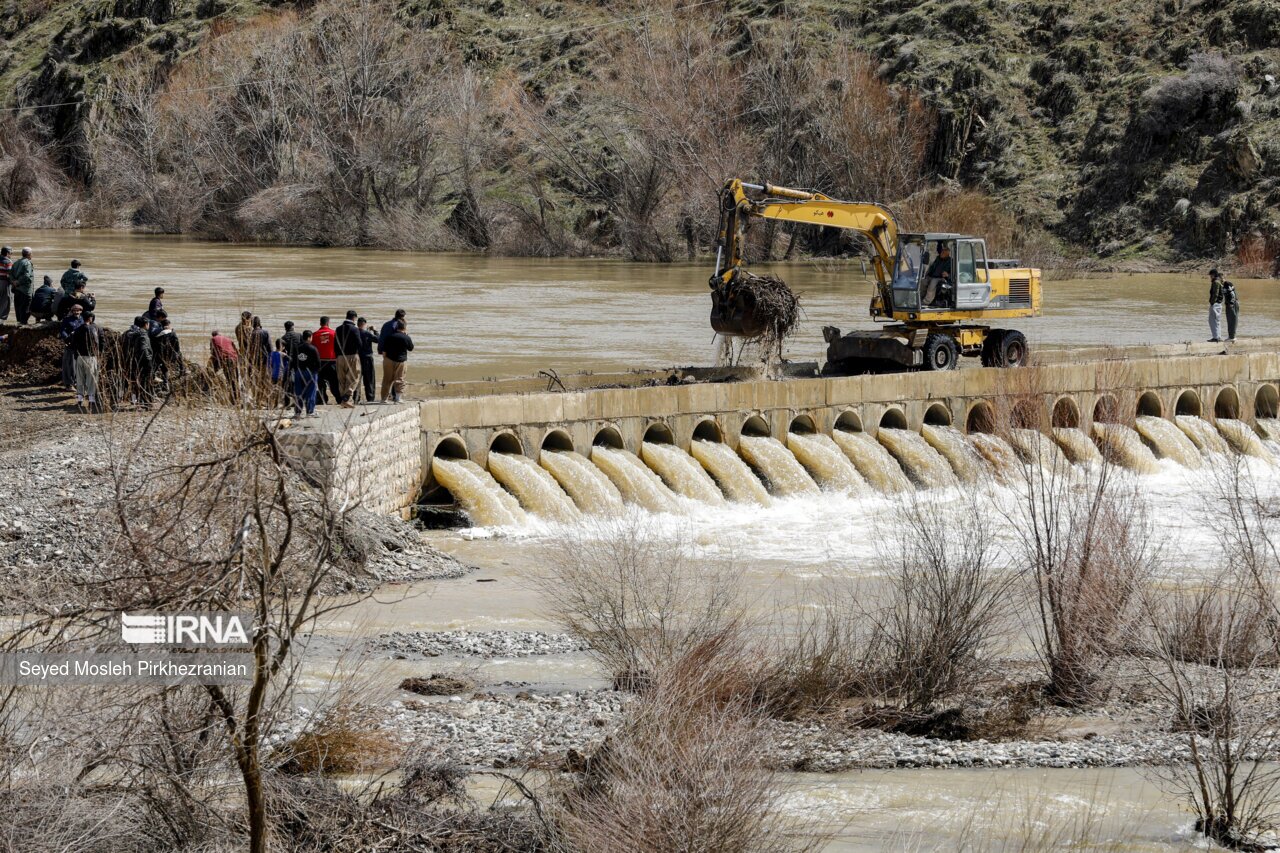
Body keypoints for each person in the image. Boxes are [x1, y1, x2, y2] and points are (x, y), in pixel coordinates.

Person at [71, 311, 103, 413]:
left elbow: (73, 344)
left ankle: (80, 400)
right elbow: (98, 342)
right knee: (91, 379)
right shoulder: (95, 329)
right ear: (90, 318)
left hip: (80, 357)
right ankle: (91, 400)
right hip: (90, 357)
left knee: (80, 379)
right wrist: (99, 354)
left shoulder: (78, 329)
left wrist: (76, 355)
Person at [122, 315, 156, 406]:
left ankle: (135, 400)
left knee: (134, 381)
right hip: (142, 361)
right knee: (146, 381)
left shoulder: (128, 333)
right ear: (146, 324)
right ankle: (146, 402)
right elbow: (144, 350)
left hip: (129, 360)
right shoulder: (143, 334)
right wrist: (149, 362)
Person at [380, 319, 413, 403]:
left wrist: (385, 360)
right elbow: (411, 348)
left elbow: (384, 351)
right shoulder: (406, 337)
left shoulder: (389, 336)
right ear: (404, 328)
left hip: (389, 360)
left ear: (396, 327)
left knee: (387, 379)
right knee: (400, 379)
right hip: (401, 361)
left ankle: (384, 399)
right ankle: (398, 398)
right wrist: (407, 335)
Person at [334, 309, 362, 408]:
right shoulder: (355, 329)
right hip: (352, 356)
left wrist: (337, 356)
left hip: (340, 356)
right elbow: (359, 344)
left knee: (342, 379)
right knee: (354, 377)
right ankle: (346, 398)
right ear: (354, 318)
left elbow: (335, 344)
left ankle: (345, 401)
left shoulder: (338, 329)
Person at [292, 330, 321, 418]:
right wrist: (316, 371)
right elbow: (318, 363)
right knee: (311, 392)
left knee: (298, 392)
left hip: (299, 372)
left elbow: (293, 361)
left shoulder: (296, 348)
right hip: (310, 372)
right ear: (309, 337)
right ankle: (310, 411)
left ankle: (297, 412)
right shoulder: (313, 348)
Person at [312, 316, 339, 405]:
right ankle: (339, 399)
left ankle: (322, 399)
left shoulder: (314, 334)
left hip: (319, 362)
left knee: (321, 383)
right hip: (332, 362)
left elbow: (312, 349)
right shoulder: (334, 333)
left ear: (320, 323)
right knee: (334, 382)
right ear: (328, 323)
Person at [59, 303, 85, 393]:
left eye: (78, 310)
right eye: (74, 310)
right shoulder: (67, 320)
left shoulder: (83, 319)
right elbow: (62, 331)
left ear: (81, 311)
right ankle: (69, 384)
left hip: (80, 346)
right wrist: (66, 338)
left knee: (79, 365)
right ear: (72, 311)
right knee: (69, 365)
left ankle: (78, 383)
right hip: (70, 345)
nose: (76, 312)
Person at [152, 317, 184, 390]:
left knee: (161, 367)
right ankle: (182, 370)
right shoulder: (172, 333)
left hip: (160, 355)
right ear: (168, 325)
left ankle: (162, 382)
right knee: (166, 367)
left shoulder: (158, 334)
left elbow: (155, 345)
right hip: (170, 355)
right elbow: (177, 346)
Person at [10, 248, 36, 324]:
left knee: (18, 308)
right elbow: (27, 276)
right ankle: (23, 325)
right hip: (25, 290)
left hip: (16, 289)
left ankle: (18, 324)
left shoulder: (16, 262)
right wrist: (18, 282)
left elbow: (10, 274)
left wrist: (13, 282)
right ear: (29, 254)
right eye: (32, 253)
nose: (32, 255)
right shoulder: (27, 263)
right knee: (26, 309)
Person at [923, 243, 952, 307]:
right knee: (923, 282)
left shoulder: (951, 262)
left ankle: (926, 302)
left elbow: (954, 275)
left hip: (940, 278)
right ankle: (919, 298)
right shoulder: (938, 258)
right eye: (941, 251)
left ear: (947, 254)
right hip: (931, 276)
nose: (941, 253)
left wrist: (948, 275)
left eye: (943, 252)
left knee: (933, 283)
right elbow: (938, 248)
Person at [357, 317, 377, 403]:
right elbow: (378, 339)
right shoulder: (367, 333)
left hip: (357, 358)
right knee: (369, 379)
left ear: (358, 324)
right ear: (364, 324)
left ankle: (356, 398)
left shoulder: (355, 332)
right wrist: (375, 331)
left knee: (357, 379)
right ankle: (370, 398)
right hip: (367, 358)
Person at [269, 338, 290, 405]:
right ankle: (276, 403)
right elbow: (290, 359)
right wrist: (286, 353)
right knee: (279, 389)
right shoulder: (282, 354)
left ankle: (272, 403)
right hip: (280, 374)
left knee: (273, 389)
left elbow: (270, 364)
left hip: (273, 374)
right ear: (282, 346)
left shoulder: (272, 353)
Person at [1208, 268, 1225, 342]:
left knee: (1212, 320)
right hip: (1219, 303)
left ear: (1213, 275)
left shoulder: (1216, 282)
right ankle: (1218, 336)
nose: (1210, 277)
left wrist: (1212, 302)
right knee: (1217, 320)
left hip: (1215, 304)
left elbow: (1215, 293)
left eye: (1211, 275)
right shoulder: (1219, 281)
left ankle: (1216, 337)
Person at [1222, 277, 1240, 342]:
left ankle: (1232, 337)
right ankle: (1231, 336)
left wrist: (1231, 303)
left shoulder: (1227, 284)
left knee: (1232, 320)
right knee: (1230, 320)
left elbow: (1232, 294)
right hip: (1229, 304)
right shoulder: (1224, 285)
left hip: (1232, 304)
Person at [0, 246, 12, 322]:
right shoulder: (8, 262)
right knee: (6, 300)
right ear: (7, 253)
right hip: (4, 283)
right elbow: (10, 274)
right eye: (11, 253)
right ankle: (1, 321)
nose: (11, 255)